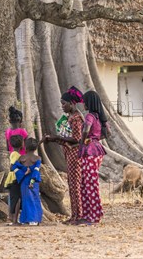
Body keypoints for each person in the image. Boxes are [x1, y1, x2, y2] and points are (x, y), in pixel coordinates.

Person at [42, 86, 84, 224]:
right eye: (61, 104)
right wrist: (55, 138)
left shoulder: (76, 118)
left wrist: (56, 138)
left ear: (72, 103)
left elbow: (76, 139)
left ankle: (78, 216)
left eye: (64, 104)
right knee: (72, 185)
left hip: (74, 154)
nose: (62, 106)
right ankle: (75, 215)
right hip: (69, 153)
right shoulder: (70, 117)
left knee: (74, 185)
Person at [79, 91, 107, 225]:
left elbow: (86, 129)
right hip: (96, 150)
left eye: (84, 102)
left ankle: (94, 216)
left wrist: (83, 140)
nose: (83, 104)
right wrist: (95, 139)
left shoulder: (89, 116)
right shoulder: (99, 117)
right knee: (86, 183)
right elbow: (107, 133)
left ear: (89, 103)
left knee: (90, 184)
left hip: (90, 152)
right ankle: (89, 214)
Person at [12, 138, 42, 226]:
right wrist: (32, 182)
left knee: (25, 200)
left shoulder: (22, 158)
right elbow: (36, 171)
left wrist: (23, 172)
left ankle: (25, 219)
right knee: (34, 199)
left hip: (24, 181)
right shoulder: (37, 158)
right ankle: (33, 219)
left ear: (25, 147)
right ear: (36, 148)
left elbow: (13, 167)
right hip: (33, 182)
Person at [4, 134, 24, 225]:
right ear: (22, 145)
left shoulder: (13, 153)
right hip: (15, 179)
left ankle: (12, 218)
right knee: (17, 199)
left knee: (13, 198)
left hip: (13, 178)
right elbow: (12, 167)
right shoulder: (16, 155)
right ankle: (15, 220)